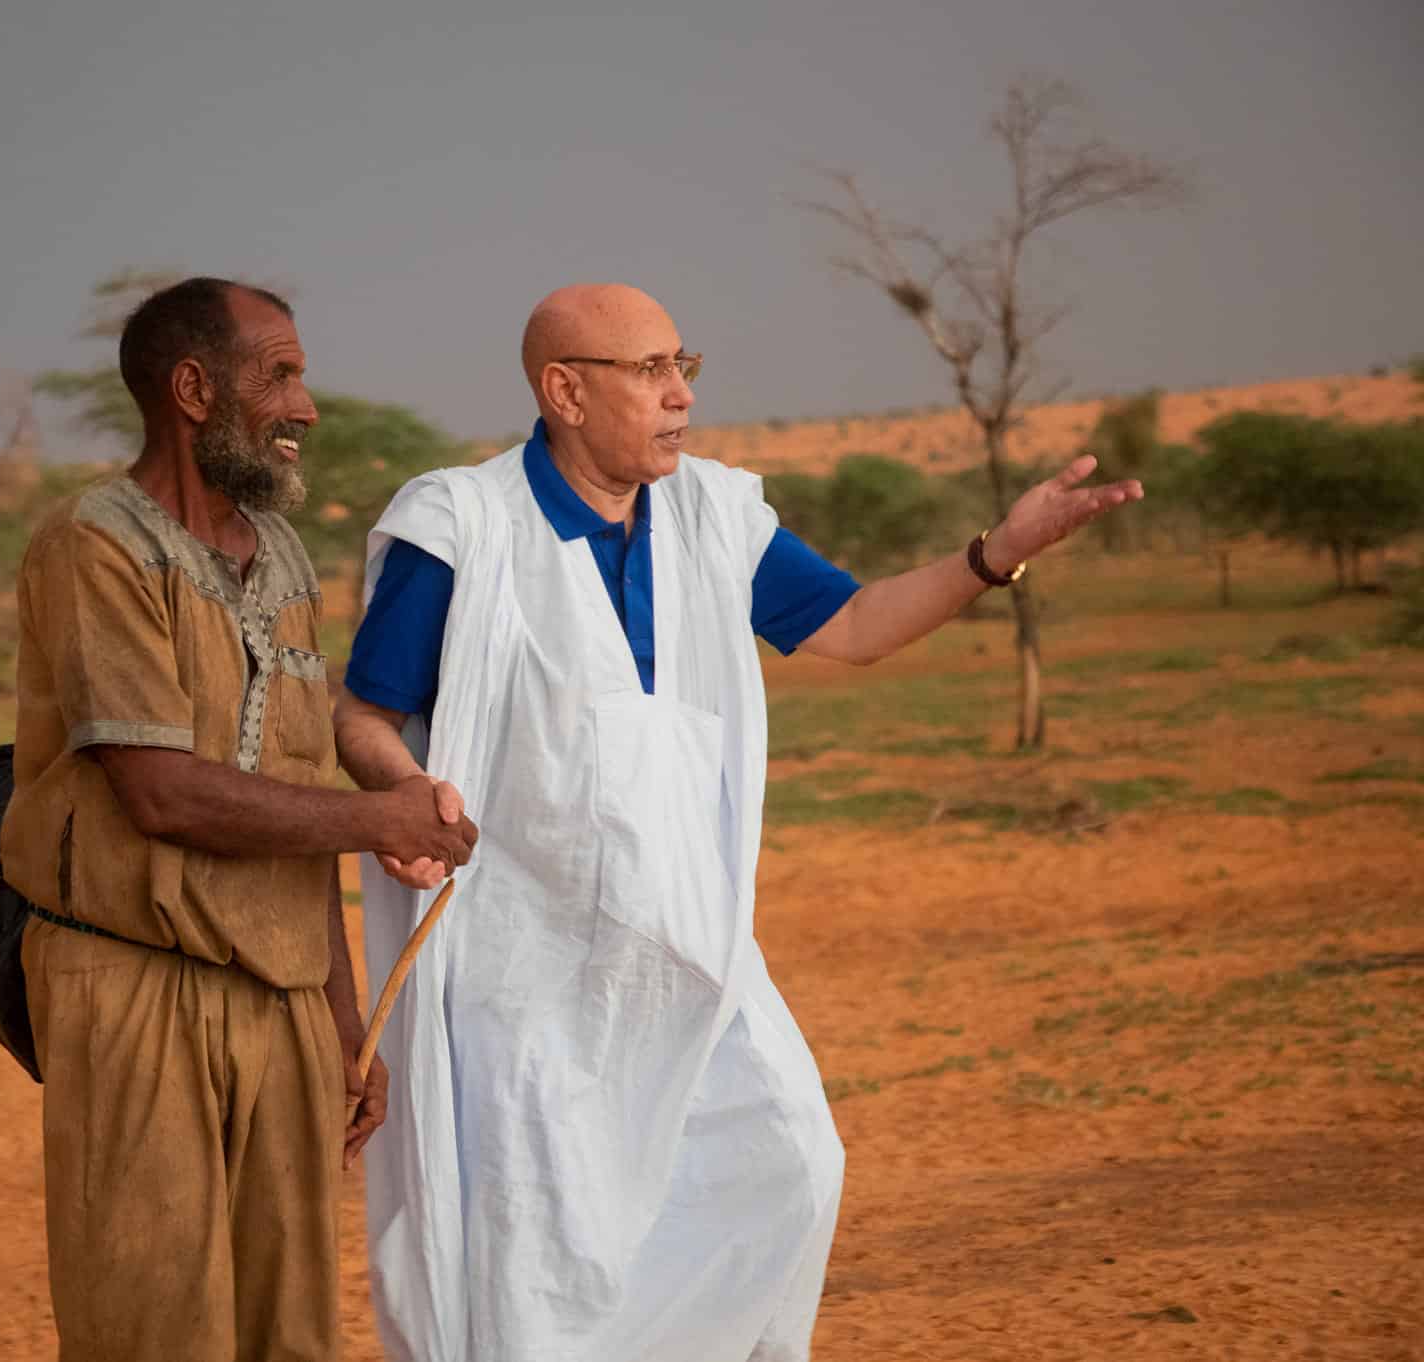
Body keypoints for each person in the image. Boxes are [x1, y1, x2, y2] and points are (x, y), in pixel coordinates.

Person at [335, 283, 1141, 1361]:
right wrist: (400, 790)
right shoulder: (459, 525)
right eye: (650, 371)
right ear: (563, 391)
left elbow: (850, 625)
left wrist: (994, 552)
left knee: (785, 1168)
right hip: (515, 979)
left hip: (693, 952)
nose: (680, 396)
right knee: (542, 1258)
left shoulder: (715, 515)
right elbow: (363, 714)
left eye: (685, 367)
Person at [1, 276, 478, 1362]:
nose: (304, 406)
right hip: (133, 985)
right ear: (190, 388)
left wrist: (342, 1023)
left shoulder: (284, 555)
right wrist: (380, 817)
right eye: (281, 375)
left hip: (280, 1000)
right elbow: (160, 793)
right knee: (152, 1324)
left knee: (287, 1329)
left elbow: (297, 786)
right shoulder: (95, 544)